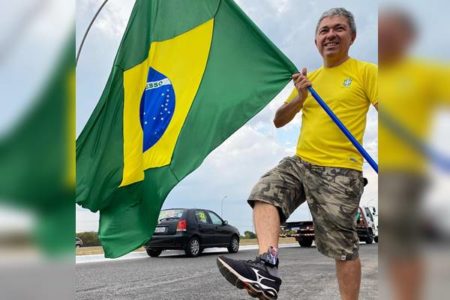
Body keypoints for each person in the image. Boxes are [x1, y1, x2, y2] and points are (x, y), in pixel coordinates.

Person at [216, 7, 377, 300]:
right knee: (264, 192)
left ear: (352, 37)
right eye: (324, 30)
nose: (330, 35)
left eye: (338, 28)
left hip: (340, 171)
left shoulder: (365, 72)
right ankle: (267, 266)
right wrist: (301, 98)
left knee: (343, 249)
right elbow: (279, 120)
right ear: (316, 41)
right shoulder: (308, 80)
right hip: (302, 162)